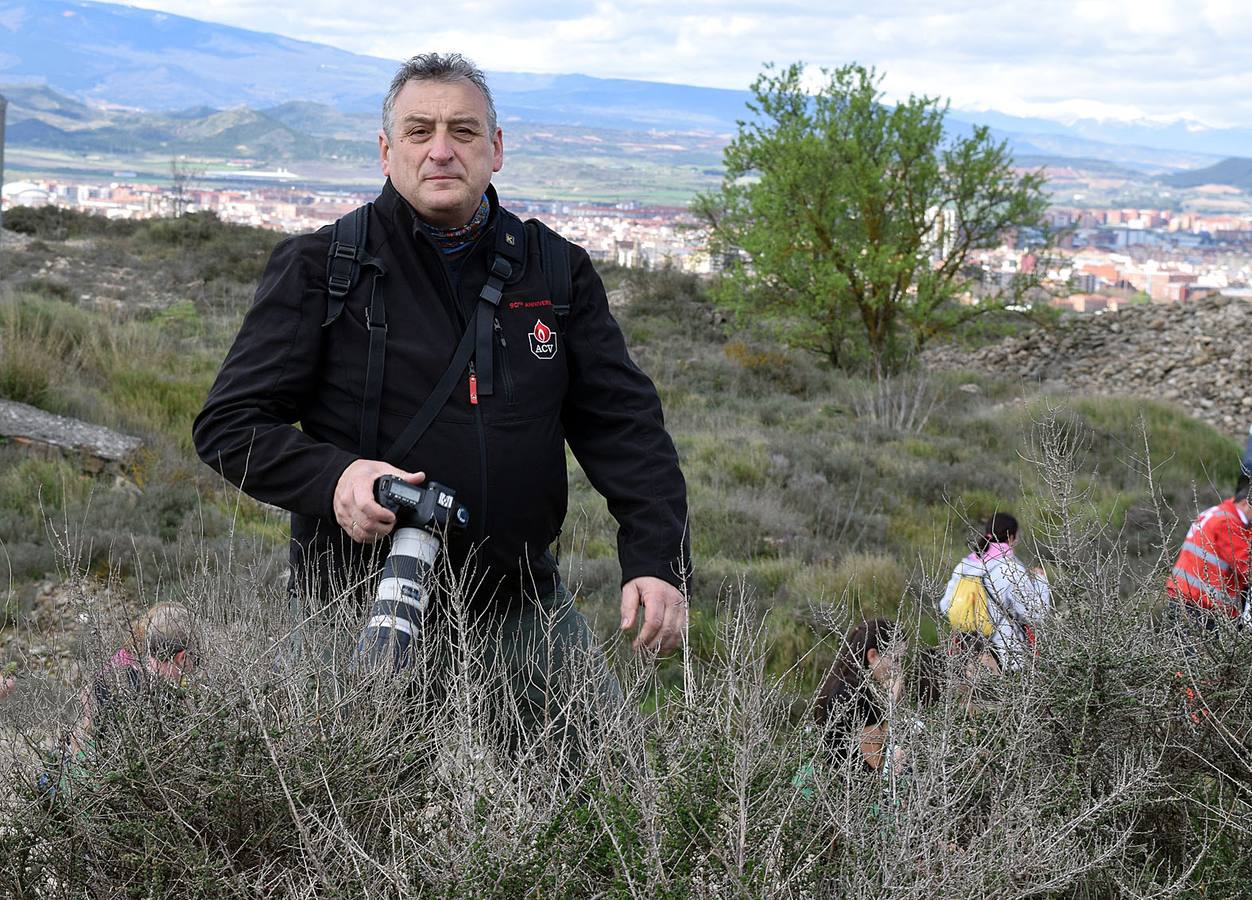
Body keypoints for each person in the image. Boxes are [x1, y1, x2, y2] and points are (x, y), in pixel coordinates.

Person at [192, 55, 690, 722]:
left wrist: (656, 559)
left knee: (608, 809)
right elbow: (228, 426)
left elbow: (624, 426)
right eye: (419, 131)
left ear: (497, 148)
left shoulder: (555, 271)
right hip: (355, 607)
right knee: (335, 815)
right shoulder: (323, 267)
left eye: (463, 130)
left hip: (519, 605)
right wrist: (336, 478)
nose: (441, 151)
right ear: (386, 150)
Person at [814, 619, 937, 773]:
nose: (898, 668)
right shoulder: (854, 694)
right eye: (895, 659)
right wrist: (892, 703)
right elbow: (877, 760)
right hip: (854, 788)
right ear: (872, 655)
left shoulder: (841, 681)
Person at [940, 512, 1050, 674]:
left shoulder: (965, 566)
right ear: (1011, 538)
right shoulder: (1011, 570)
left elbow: (945, 607)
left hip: (967, 656)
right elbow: (1036, 614)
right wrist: (1041, 581)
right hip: (1006, 658)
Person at [1165, 485, 1252, 630]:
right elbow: (1247, 567)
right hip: (1199, 607)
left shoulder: (1220, 513)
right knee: (1199, 652)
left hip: (1187, 600)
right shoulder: (1229, 523)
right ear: (1246, 503)